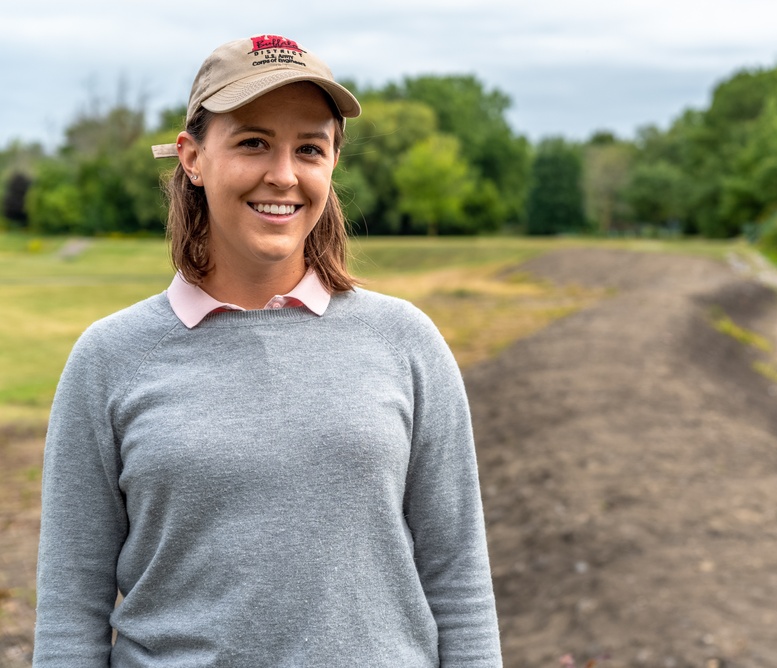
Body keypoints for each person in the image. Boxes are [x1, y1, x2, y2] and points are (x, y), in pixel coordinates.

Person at [33, 34, 502, 667]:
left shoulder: (406, 342)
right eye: (253, 142)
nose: (283, 174)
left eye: (309, 148)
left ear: (333, 162)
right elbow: (70, 611)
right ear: (192, 157)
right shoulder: (109, 359)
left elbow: (459, 580)